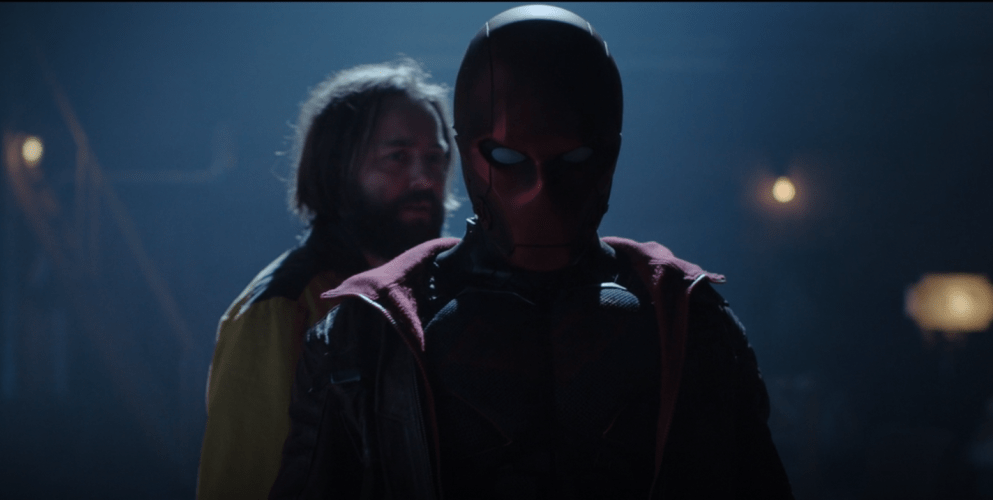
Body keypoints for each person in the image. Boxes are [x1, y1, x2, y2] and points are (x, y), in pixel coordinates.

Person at [270, 5, 794, 499]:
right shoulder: (363, 335)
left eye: (573, 158)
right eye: (509, 156)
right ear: (469, 148)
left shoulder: (692, 320)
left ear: (608, 151)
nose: (542, 187)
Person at [196, 58, 459, 500]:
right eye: (397, 157)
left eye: (434, 158)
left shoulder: (445, 291)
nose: (424, 179)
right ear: (338, 166)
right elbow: (246, 483)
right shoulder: (281, 309)